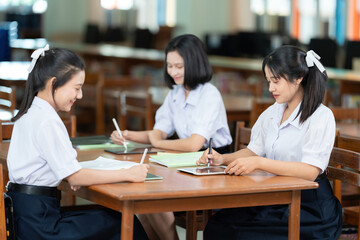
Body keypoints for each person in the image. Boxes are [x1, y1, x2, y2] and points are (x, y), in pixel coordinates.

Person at [197, 46, 342, 239]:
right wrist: (222, 158)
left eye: (276, 81)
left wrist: (260, 163)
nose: (270, 88)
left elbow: (310, 172)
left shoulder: (321, 116)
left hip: (310, 207)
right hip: (277, 196)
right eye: (268, 81)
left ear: (298, 77)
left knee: (240, 234)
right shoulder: (274, 111)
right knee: (218, 225)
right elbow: (254, 150)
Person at [6, 45, 149, 240]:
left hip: (25, 217)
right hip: (41, 225)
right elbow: (75, 178)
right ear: (54, 83)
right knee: (122, 222)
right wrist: (128, 173)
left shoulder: (30, 113)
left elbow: (61, 171)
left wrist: (72, 174)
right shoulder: (48, 121)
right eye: (76, 88)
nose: (80, 95)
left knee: (108, 216)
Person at [111, 34, 232, 240]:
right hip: (186, 161)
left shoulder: (209, 94)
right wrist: (129, 135)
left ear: (193, 64)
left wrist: (157, 141)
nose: (173, 72)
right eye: (169, 66)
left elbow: (194, 144)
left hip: (213, 164)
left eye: (179, 66)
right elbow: (159, 131)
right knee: (143, 196)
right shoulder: (176, 92)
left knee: (152, 196)